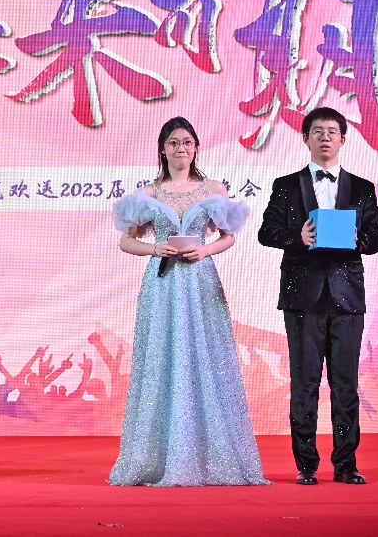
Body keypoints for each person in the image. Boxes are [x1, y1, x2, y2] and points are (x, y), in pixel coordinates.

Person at [108, 117, 268, 487]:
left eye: (188, 142)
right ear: (162, 149)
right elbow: (126, 241)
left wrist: (205, 250)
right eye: (174, 143)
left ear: (195, 148)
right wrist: (155, 249)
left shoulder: (213, 188)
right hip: (162, 283)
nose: (182, 149)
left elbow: (228, 236)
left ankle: (210, 455)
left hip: (199, 281)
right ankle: (156, 458)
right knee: (162, 358)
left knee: (204, 356)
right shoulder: (147, 193)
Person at [258, 107, 378, 485]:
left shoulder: (362, 188)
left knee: (345, 384)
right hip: (303, 296)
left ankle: (346, 464)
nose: (325, 137)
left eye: (332, 132)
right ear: (306, 138)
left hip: (347, 296)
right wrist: (297, 237)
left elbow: (377, 238)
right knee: (305, 383)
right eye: (317, 131)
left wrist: (358, 239)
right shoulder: (286, 185)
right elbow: (267, 232)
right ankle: (306, 464)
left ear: (343, 139)